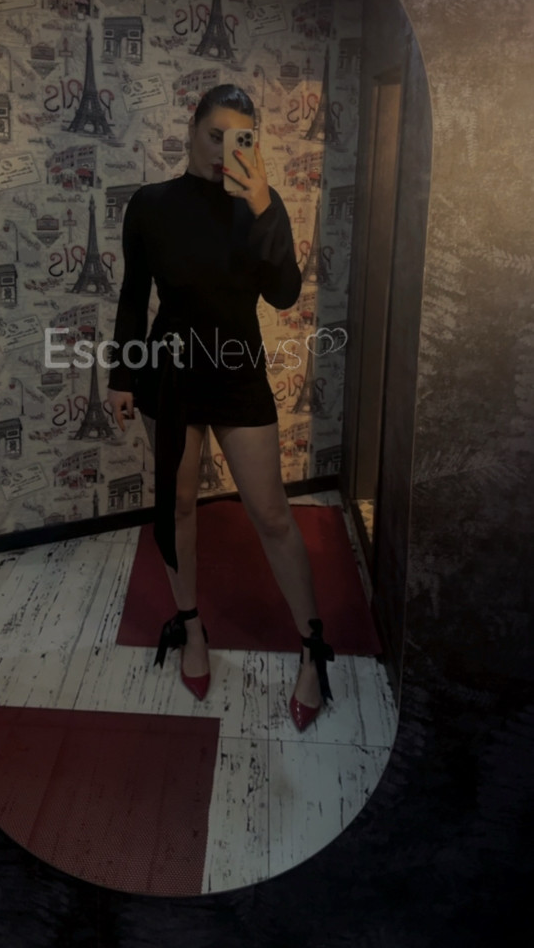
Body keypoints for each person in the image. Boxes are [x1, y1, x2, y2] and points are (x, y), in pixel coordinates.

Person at [106, 84, 333, 729]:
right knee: (179, 505)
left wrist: (262, 208)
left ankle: (313, 646)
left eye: (239, 140)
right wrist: (122, 375)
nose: (223, 151)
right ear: (193, 128)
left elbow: (284, 295)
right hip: (170, 372)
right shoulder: (151, 205)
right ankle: (191, 626)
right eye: (215, 135)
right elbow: (133, 294)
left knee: (272, 513)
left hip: (237, 371)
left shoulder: (261, 205)